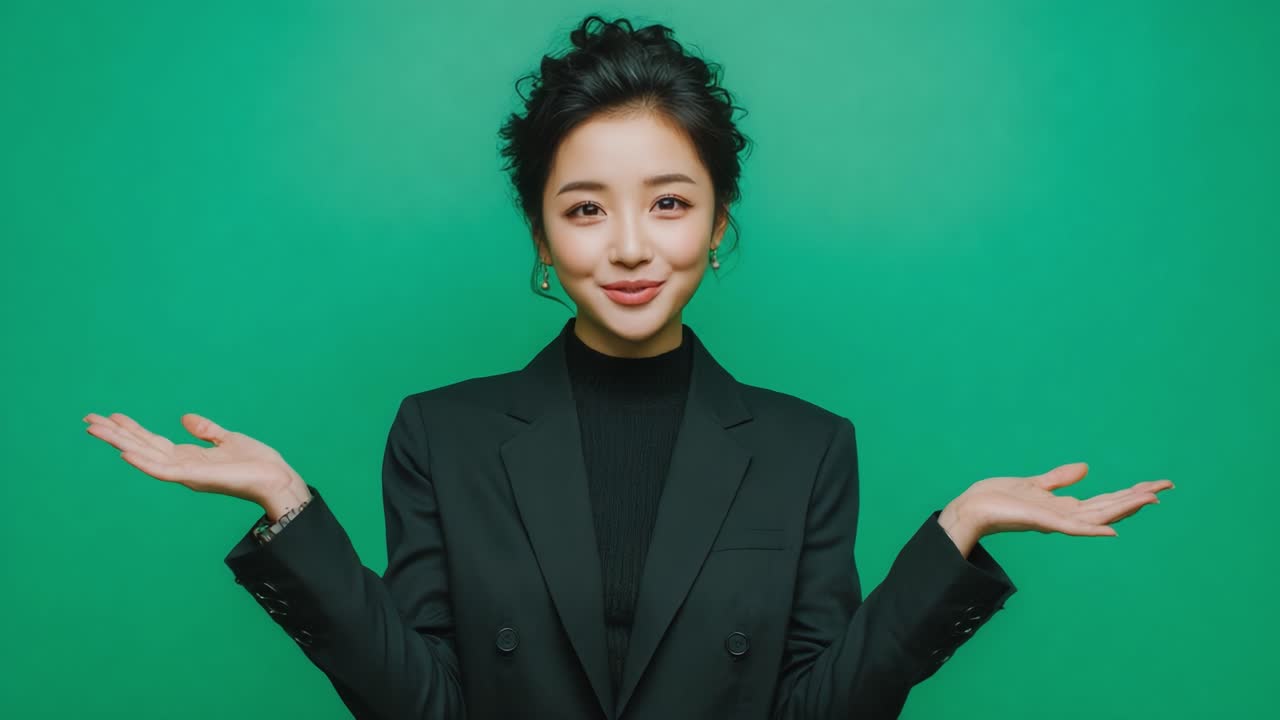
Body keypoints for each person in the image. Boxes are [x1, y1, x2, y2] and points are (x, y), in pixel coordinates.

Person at [82, 15, 1173, 720]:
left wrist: (955, 535)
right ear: (542, 237)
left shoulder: (804, 447)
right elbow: (422, 707)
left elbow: (816, 714)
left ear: (716, 220)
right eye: (585, 208)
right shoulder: (441, 435)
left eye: (667, 201)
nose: (631, 246)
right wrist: (287, 509)